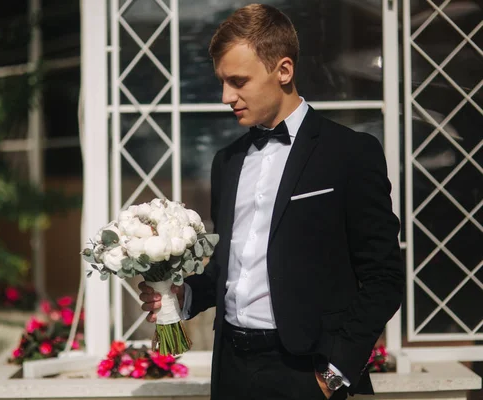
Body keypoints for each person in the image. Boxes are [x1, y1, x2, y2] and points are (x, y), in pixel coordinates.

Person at [138, 4, 404, 399]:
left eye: (238, 81)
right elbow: (228, 269)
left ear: (284, 70)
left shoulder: (351, 154)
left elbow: (384, 278)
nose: (226, 96)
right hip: (230, 369)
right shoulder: (225, 162)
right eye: (222, 82)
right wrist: (185, 296)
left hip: (308, 372)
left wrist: (334, 372)